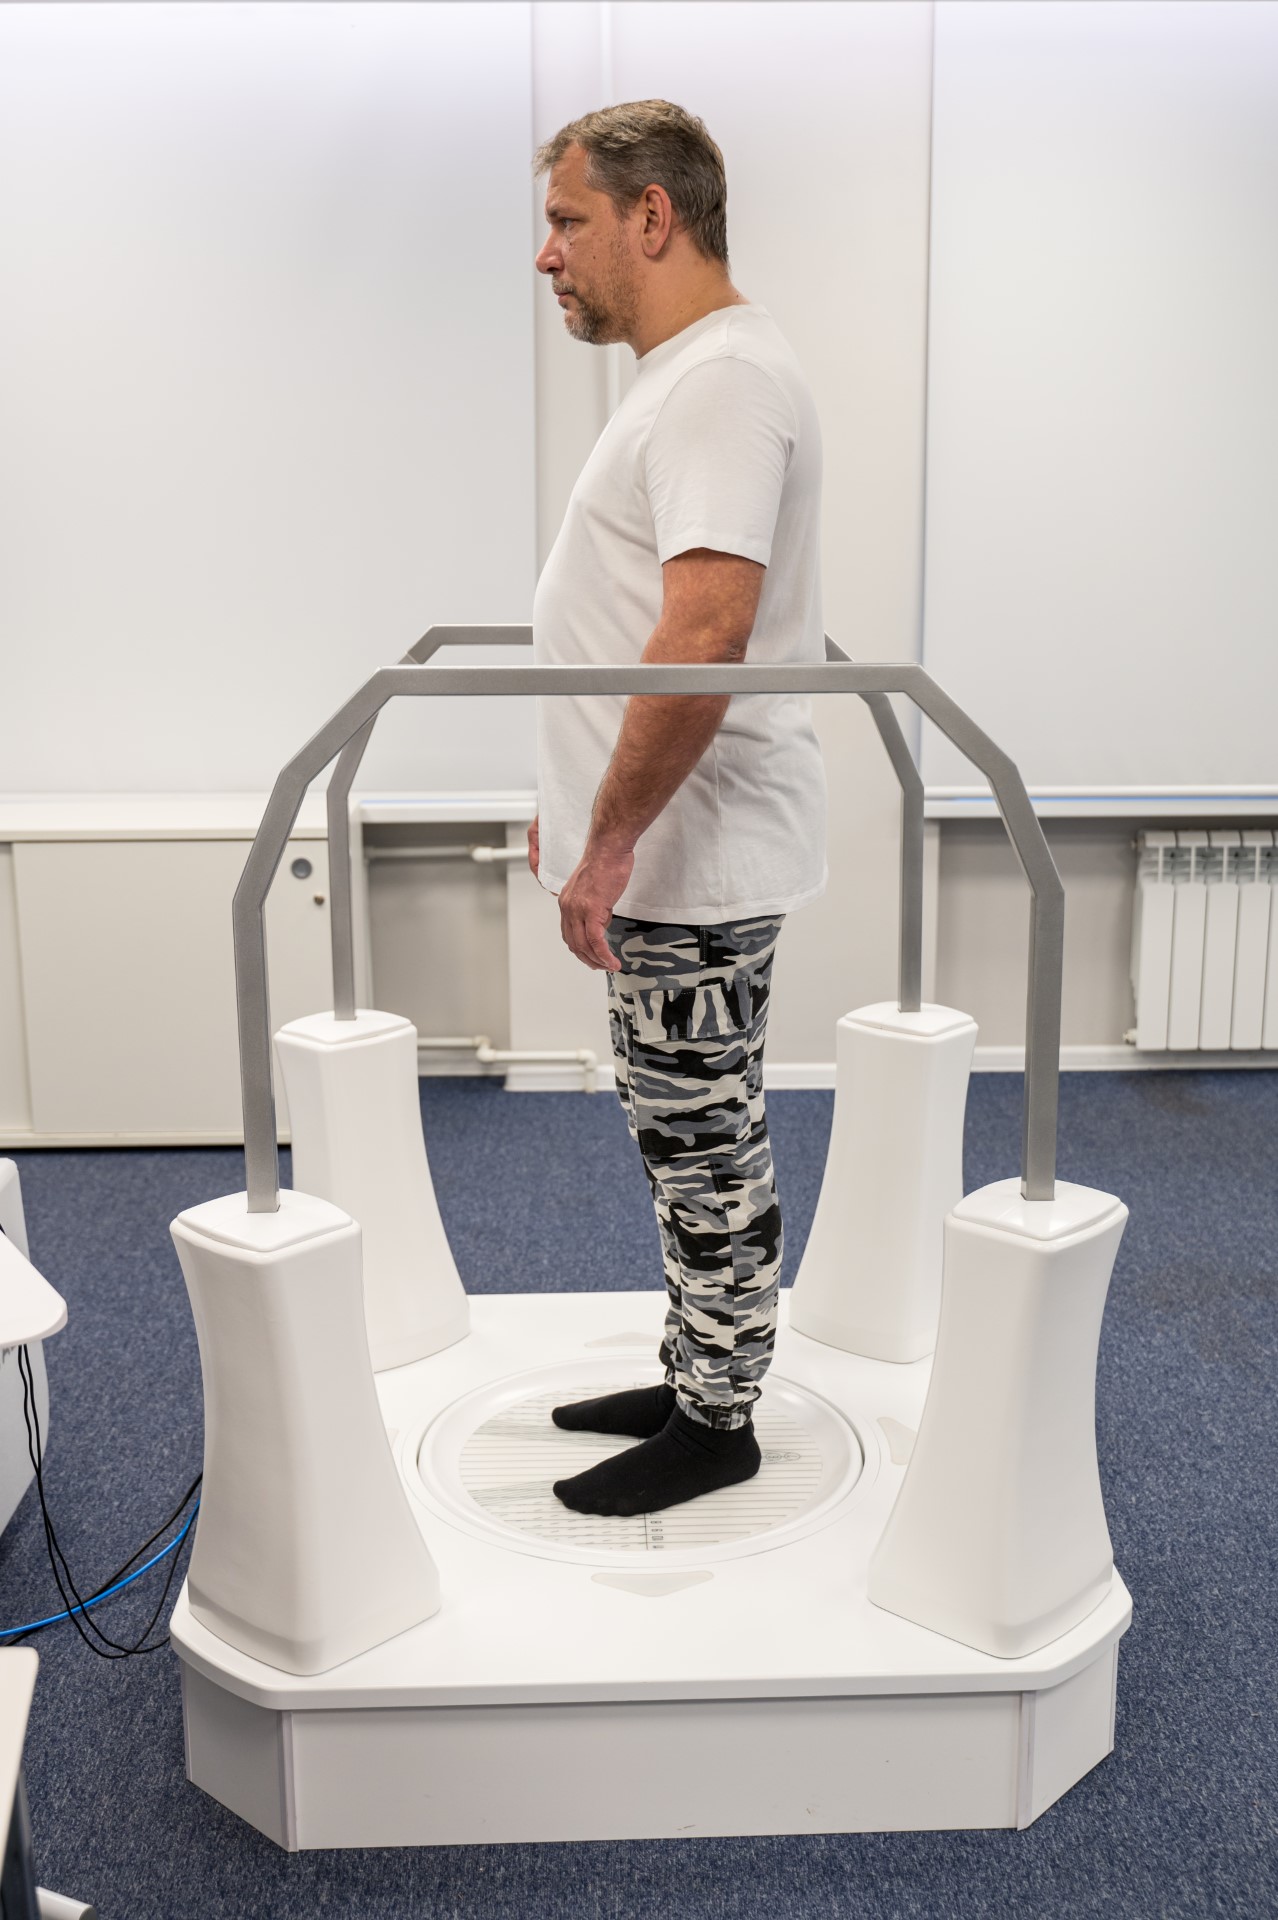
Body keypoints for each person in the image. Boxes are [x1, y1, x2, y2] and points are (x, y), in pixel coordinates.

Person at [530, 101, 826, 1518]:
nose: (548, 256)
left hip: (689, 855)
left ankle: (718, 1422)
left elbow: (704, 631)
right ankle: (696, 1368)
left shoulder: (720, 383)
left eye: (568, 221)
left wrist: (607, 842)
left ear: (652, 217)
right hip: (670, 849)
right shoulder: (692, 377)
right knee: (680, 1129)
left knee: (704, 1139)